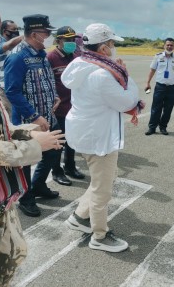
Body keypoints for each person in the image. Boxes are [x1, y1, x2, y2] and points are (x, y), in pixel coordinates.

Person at [62, 23, 143, 253]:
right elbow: (127, 101)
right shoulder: (102, 74)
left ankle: (80, 217)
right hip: (99, 137)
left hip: (85, 131)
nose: (114, 47)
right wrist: (127, 75)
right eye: (112, 44)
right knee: (103, 189)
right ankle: (100, 235)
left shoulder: (80, 63)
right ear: (105, 48)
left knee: (101, 179)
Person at [0, 82, 65, 287]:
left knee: (10, 258)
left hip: (0, 199)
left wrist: (30, 133)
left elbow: (1, 129)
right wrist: (34, 146)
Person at [4, 14, 62, 217]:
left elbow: (47, 79)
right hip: (29, 121)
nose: (48, 36)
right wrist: (35, 116)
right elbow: (12, 91)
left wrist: (54, 96)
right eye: (46, 32)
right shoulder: (17, 56)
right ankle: (25, 198)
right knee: (27, 160)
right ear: (36, 33)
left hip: (48, 115)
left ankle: (38, 187)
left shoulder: (41, 54)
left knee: (53, 151)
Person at [47, 26, 85, 184]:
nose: (71, 43)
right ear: (58, 40)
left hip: (74, 108)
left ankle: (70, 166)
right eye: (67, 40)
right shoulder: (51, 57)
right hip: (59, 109)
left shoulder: (75, 56)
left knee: (72, 141)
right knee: (58, 143)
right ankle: (57, 172)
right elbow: (48, 84)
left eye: (73, 39)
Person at [144, 38, 174, 135]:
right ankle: (152, 128)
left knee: (168, 109)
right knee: (156, 108)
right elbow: (152, 70)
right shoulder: (158, 57)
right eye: (168, 45)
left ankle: (163, 127)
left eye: (171, 45)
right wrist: (148, 82)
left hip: (172, 88)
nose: (169, 47)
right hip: (160, 87)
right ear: (164, 46)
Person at [0, 20, 23, 116]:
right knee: (11, 117)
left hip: (15, 86)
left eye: (17, 29)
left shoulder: (17, 45)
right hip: (4, 86)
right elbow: (8, 45)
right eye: (14, 29)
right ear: (5, 31)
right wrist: (25, 36)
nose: (16, 31)